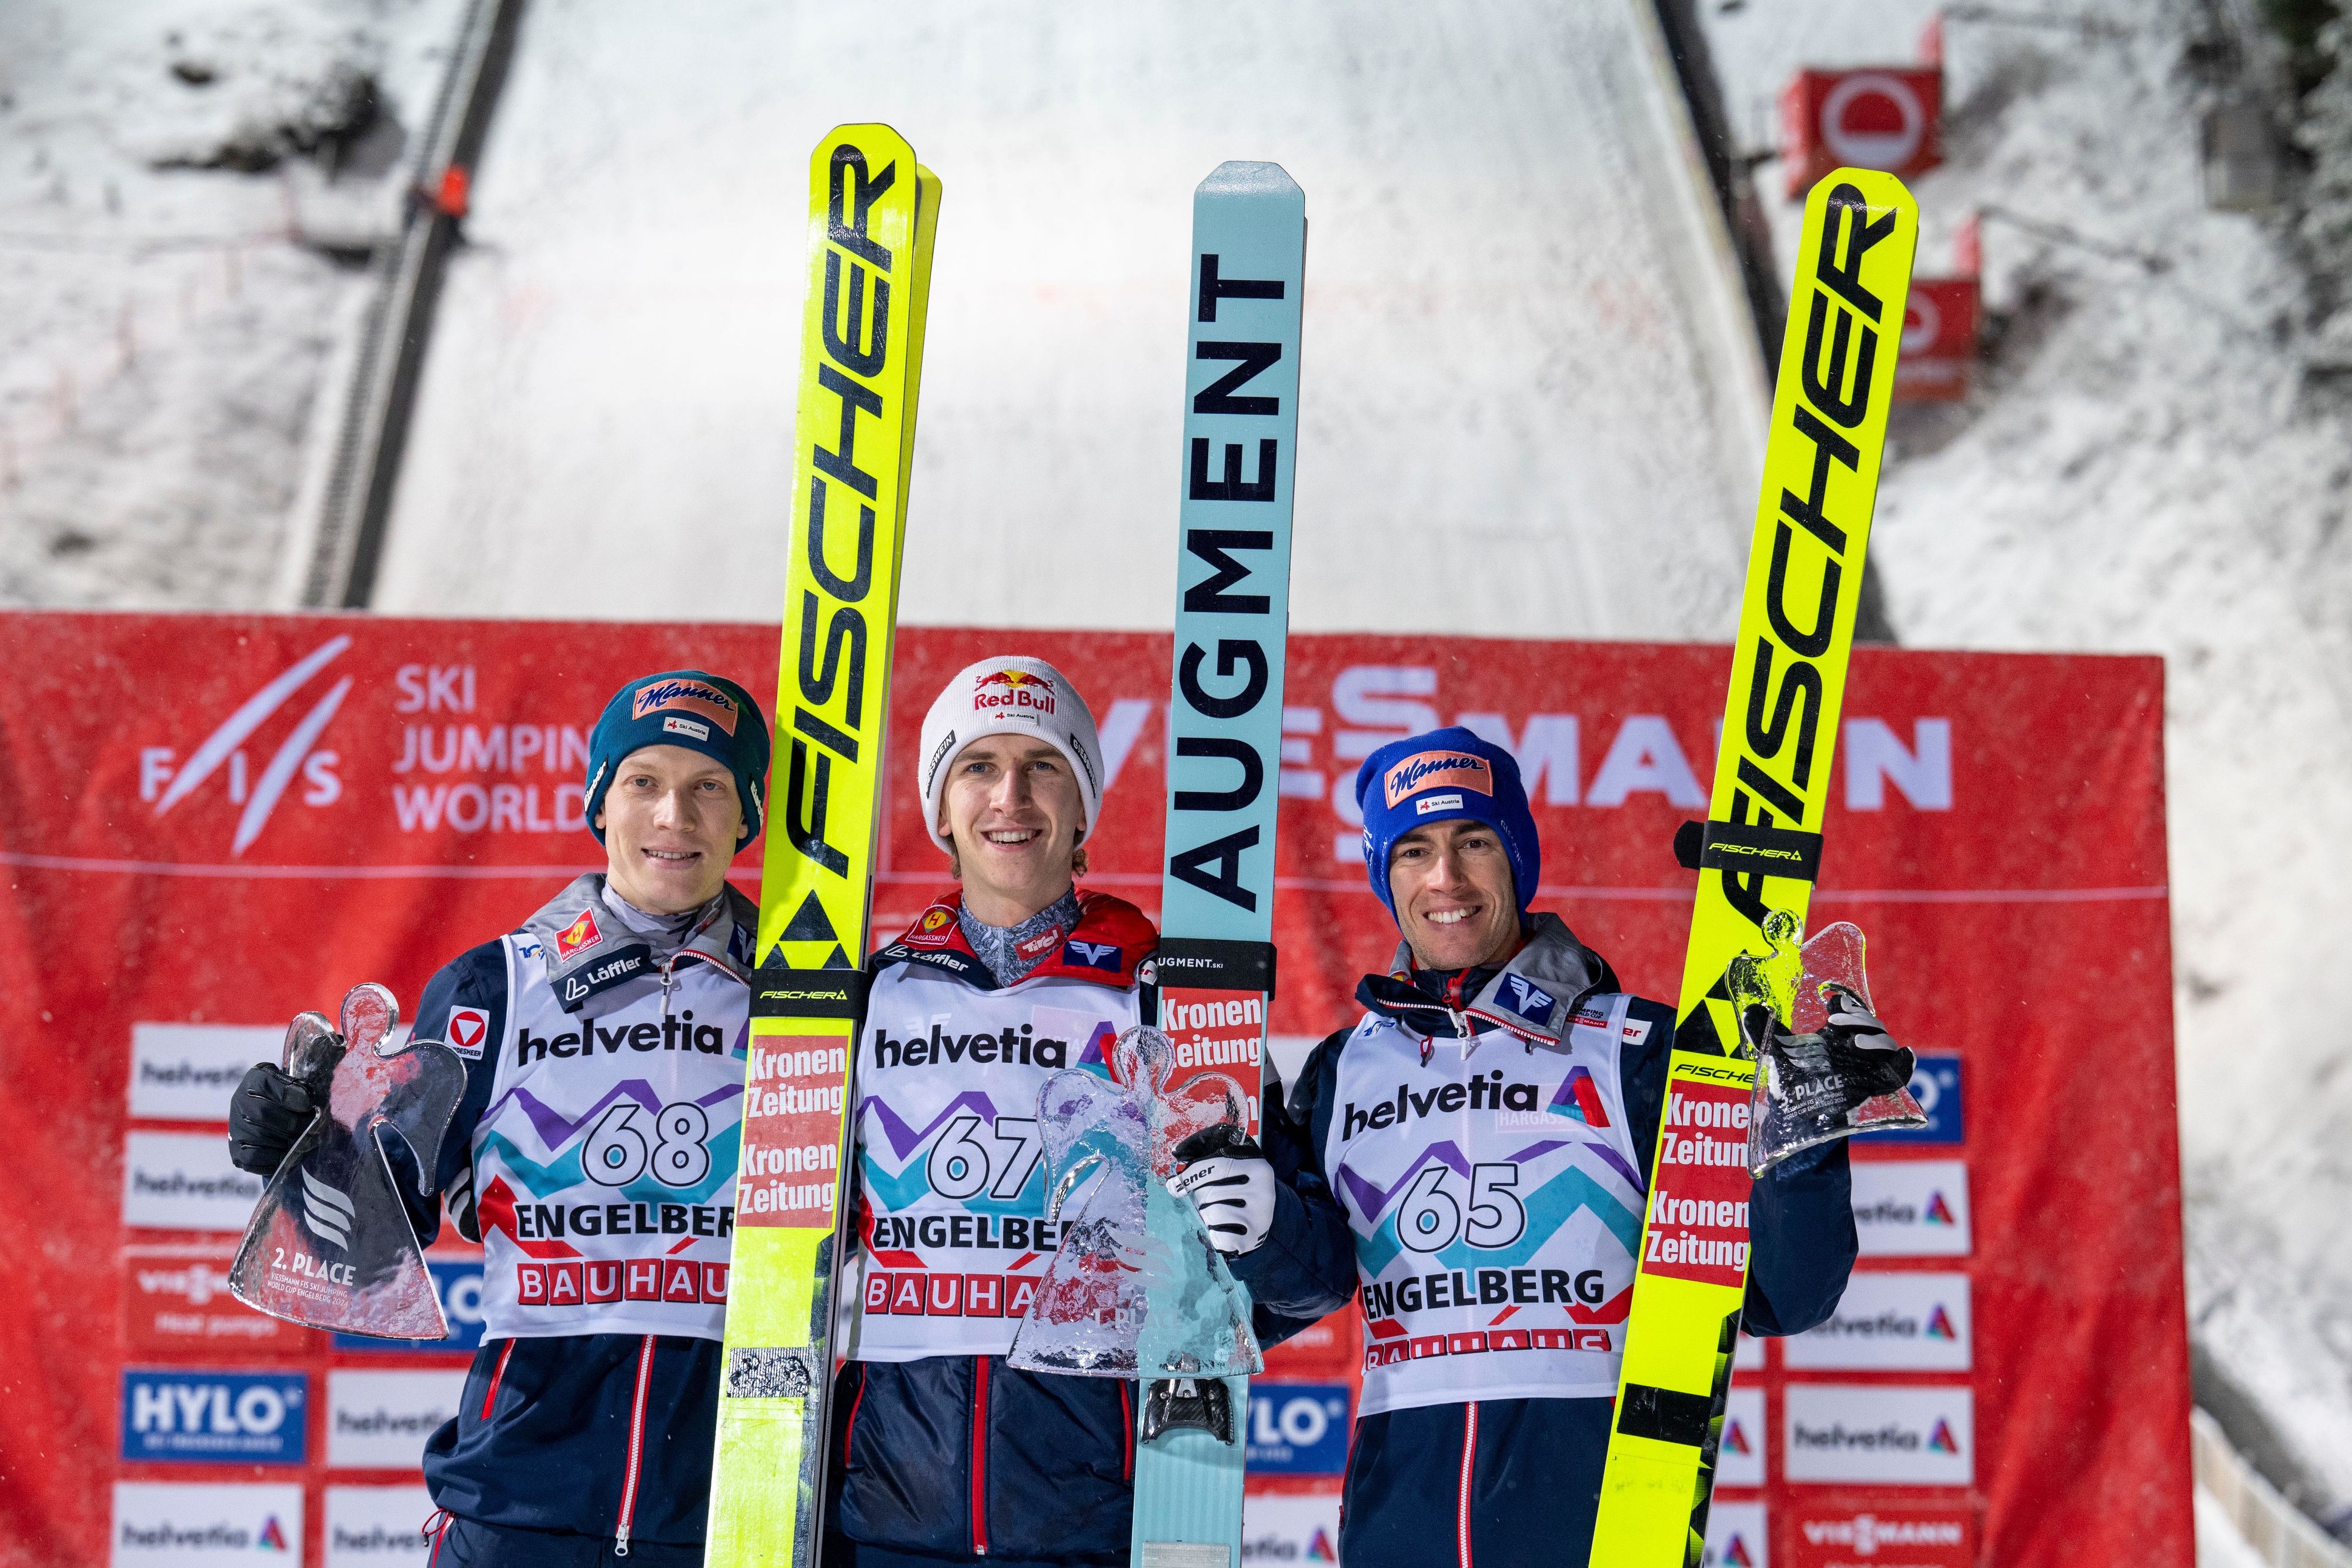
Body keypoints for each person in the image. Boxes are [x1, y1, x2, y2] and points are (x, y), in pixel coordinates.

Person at [1174, 727, 1874, 1568]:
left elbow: (1782, 1295)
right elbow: (1293, 1298)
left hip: (1602, 1522)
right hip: (1401, 1529)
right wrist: (1254, 1229)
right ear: (1384, 876)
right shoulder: (1341, 1071)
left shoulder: (1645, 1049)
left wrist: (1803, 1152)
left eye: (1474, 842)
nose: (1446, 880)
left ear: (1517, 857)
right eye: (1415, 852)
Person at [229, 670, 771, 1566]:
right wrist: (301, 1150)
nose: (674, 816)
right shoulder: (499, 986)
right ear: (601, 802)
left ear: (746, 815)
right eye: (644, 782)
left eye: (708, 786)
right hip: (520, 1504)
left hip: (730, 1514)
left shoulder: (803, 999)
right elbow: (371, 1229)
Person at [824, 654, 1346, 1568]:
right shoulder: (875, 998)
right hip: (886, 1526)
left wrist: (1255, 1246)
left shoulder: (1166, 998)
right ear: (941, 810)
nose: (1010, 797)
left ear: (1082, 810)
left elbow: (1314, 1274)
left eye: (1045, 767)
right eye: (978, 767)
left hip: (1096, 1531)